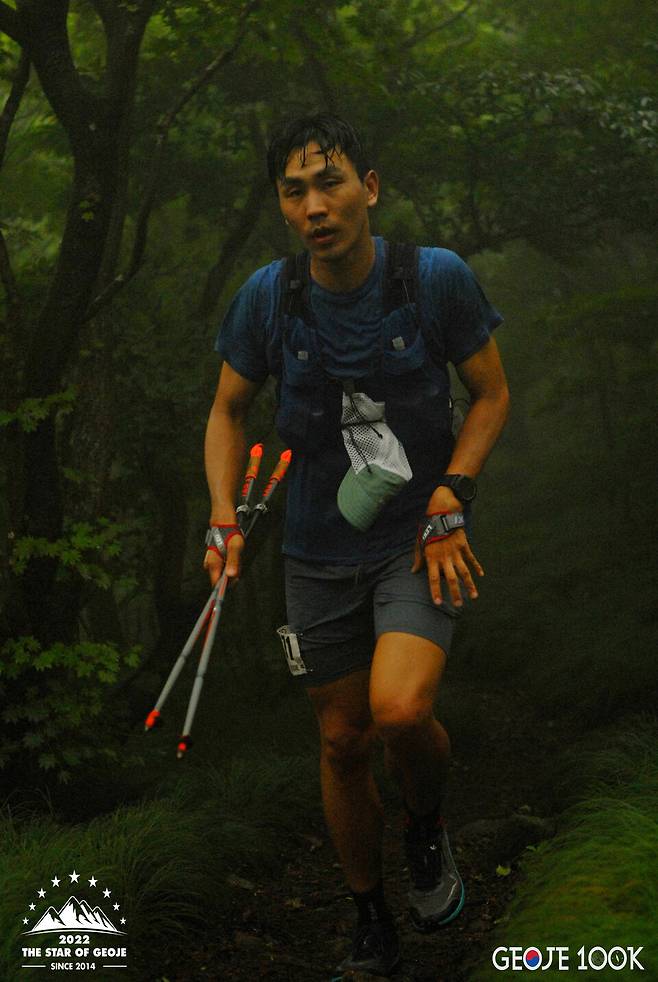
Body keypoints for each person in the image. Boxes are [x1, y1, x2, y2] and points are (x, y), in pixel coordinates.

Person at [204, 112, 509, 977]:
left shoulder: (432, 280)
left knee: (401, 712)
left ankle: (425, 828)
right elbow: (227, 411)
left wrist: (455, 491)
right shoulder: (270, 296)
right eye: (294, 191)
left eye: (329, 182)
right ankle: (369, 917)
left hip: (422, 536)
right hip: (313, 549)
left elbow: (488, 396)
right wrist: (222, 518)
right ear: (283, 208)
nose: (315, 206)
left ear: (368, 188)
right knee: (342, 740)